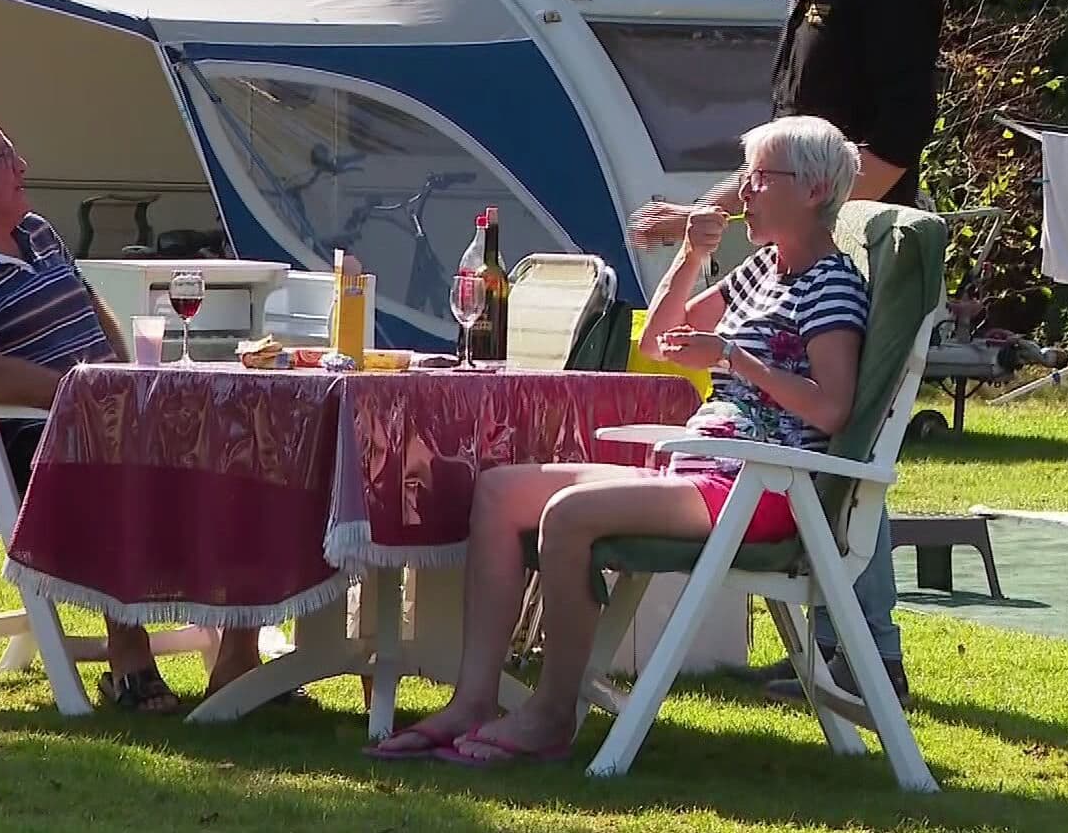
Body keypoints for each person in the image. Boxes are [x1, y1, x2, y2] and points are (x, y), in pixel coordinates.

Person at [368, 116, 870, 765]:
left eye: (759, 177)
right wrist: (690, 258)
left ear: (813, 190)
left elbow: (832, 411)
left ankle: (550, 715)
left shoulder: (830, 286)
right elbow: (663, 339)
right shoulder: (762, 271)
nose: (742, 191)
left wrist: (738, 361)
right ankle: (474, 698)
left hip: (761, 483)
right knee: (498, 492)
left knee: (569, 515)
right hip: (705, 464)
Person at [629, 0, 942, 706]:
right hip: (814, 237)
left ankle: (870, 654)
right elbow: (786, 148)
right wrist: (719, 211)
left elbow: (893, 137)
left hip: (866, 252)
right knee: (806, 441)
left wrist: (826, 234)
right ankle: (840, 647)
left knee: (850, 444)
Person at [0, 114, 267, 713]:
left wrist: (129, 383)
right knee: (110, 454)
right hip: (25, 436)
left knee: (253, 441)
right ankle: (129, 660)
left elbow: (92, 312)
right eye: (4, 159)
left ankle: (239, 660)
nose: (22, 168)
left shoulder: (39, 233)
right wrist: (91, 395)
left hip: (103, 407)